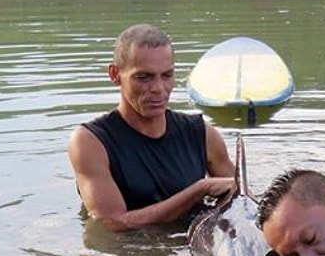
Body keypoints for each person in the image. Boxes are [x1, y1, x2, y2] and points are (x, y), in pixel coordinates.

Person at [68, 24, 236, 232]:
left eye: (166, 76)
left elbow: (240, 197)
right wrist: (200, 189)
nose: (158, 89)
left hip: (193, 249)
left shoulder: (201, 134)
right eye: (143, 77)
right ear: (115, 75)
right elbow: (112, 222)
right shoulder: (90, 142)